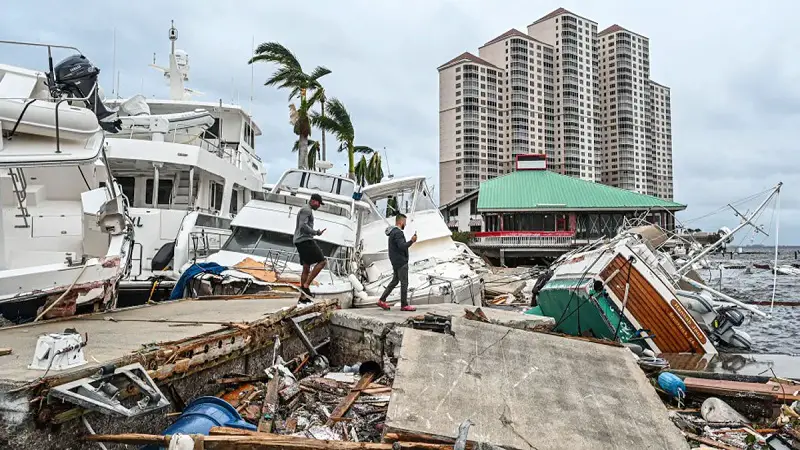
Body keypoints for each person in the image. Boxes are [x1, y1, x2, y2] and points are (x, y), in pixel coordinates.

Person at [377, 213, 417, 311]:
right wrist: (412, 241)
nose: (405, 224)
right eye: (405, 222)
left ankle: (381, 300)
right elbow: (402, 246)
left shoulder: (392, 233)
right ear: (401, 221)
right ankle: (404, 305)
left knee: (395, 281)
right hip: (401, 262)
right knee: (404, 283)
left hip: (395, 261)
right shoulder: (398, 233)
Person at [294, 193, 326, 302]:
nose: (319, 206)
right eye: (318, 203)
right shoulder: (307, 210)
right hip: (305, 240)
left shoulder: (306, 209)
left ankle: (303, 297)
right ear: (313, 201)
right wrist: (315, 232)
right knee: (322, 261)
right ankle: (306, 285)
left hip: (300, 241)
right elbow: (303, 226)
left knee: (306, 267)